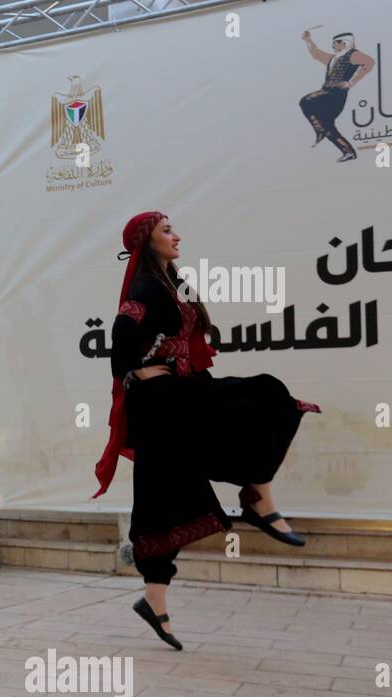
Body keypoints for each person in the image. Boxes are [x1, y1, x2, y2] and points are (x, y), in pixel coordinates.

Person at [94, 212, 321, 650]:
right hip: (160, 405)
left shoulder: (173, 282)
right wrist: (139, 372)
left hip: (182, 392)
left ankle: (154, 601)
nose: (176, 236)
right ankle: (256, 501)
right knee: (171, 494)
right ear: (146, 242)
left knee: (174, 492)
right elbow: (121, 336)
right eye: (166, 231)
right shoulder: (144, 287)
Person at [299, 30, 373, 163]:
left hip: (335, 94)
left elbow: (369, 62)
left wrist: (351, 82)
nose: (333, 46)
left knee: (306, 101)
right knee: (328, 127)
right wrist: (308, 41)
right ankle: (348, 152)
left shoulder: (353, 55)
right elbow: (316, 54)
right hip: (326, 92)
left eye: (335, 43)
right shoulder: (334, 58)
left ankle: (320, 129)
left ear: (344, 43)